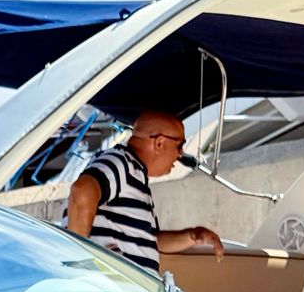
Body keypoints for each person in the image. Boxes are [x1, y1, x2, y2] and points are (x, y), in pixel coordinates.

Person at [63, 111, 223, 274]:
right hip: (109, 289)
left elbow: (151, 240)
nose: (180, 155)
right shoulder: (121, 163)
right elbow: (82, 190)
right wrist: (78, 261)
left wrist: (194, 236)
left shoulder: (135, 176)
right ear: (159, 143)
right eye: (179, 146)